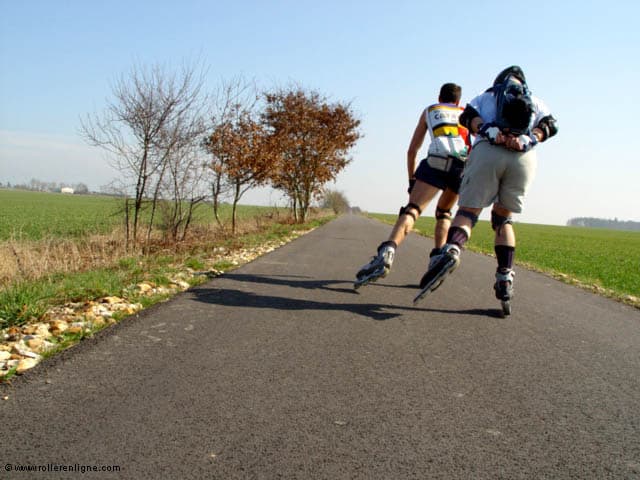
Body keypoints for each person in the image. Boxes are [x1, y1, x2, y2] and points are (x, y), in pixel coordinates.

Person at [416, 66, 558, 311]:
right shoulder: (534, 100)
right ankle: (505, 277)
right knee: (503, 219)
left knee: (468, 212)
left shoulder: (486, 96)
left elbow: (466, 117)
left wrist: (488, 130)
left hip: (487, 153)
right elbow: (551, 126)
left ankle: (451, 250)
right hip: (523, 159)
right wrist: (528, 138)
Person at [355, 82, 471, 288]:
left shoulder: (431, 110)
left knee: (412, 210)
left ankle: (387, 251)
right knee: (444, 212)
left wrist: (412, 179)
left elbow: (412, 150)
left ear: (439, 96)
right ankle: (437, 259)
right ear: (458, 100)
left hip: (436, 161)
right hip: (462, 166)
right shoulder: (468, 113)